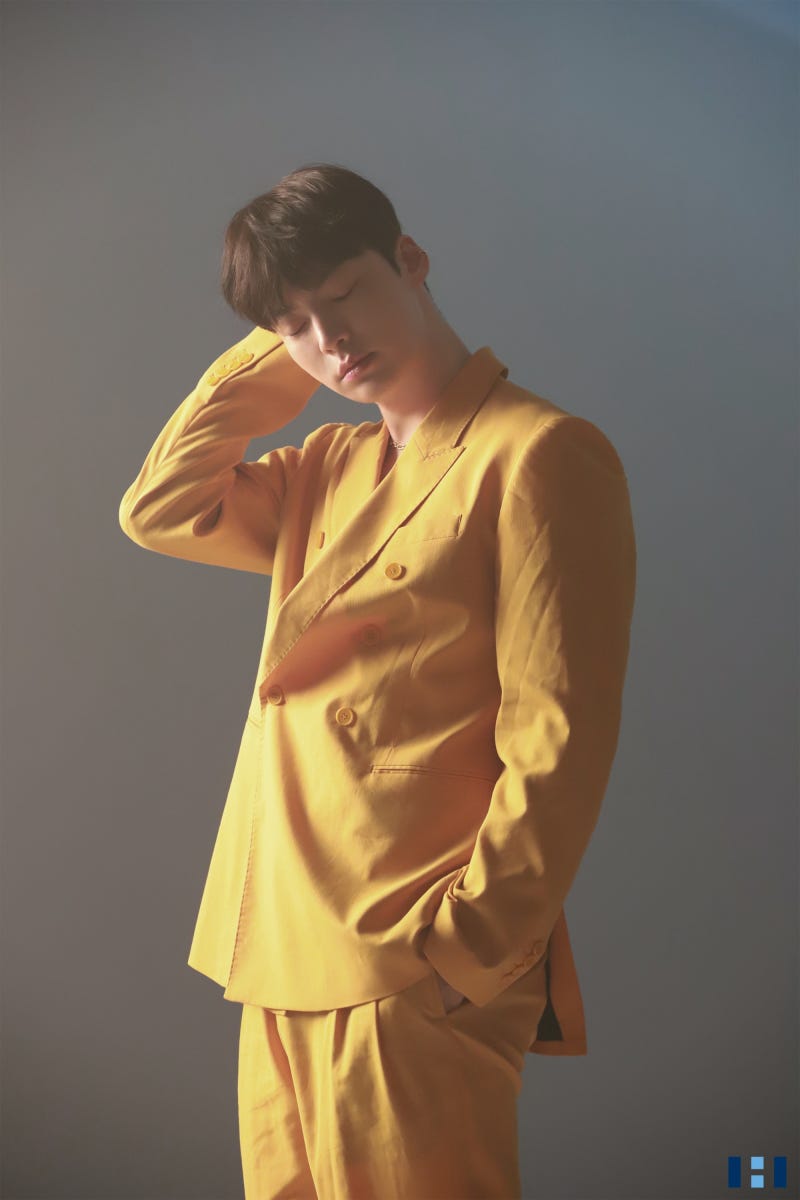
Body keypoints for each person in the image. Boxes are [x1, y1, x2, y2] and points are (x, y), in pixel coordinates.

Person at [118, 162, 637, 1199]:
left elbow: (559, 739)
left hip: (409, 954)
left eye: (345, 292)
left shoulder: (538, 453)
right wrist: (284, 334)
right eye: (296, 325)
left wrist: (467, 952)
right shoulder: (326, 466)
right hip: (278, 940)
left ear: (409, 258)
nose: (331, 338)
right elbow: (162, 508)